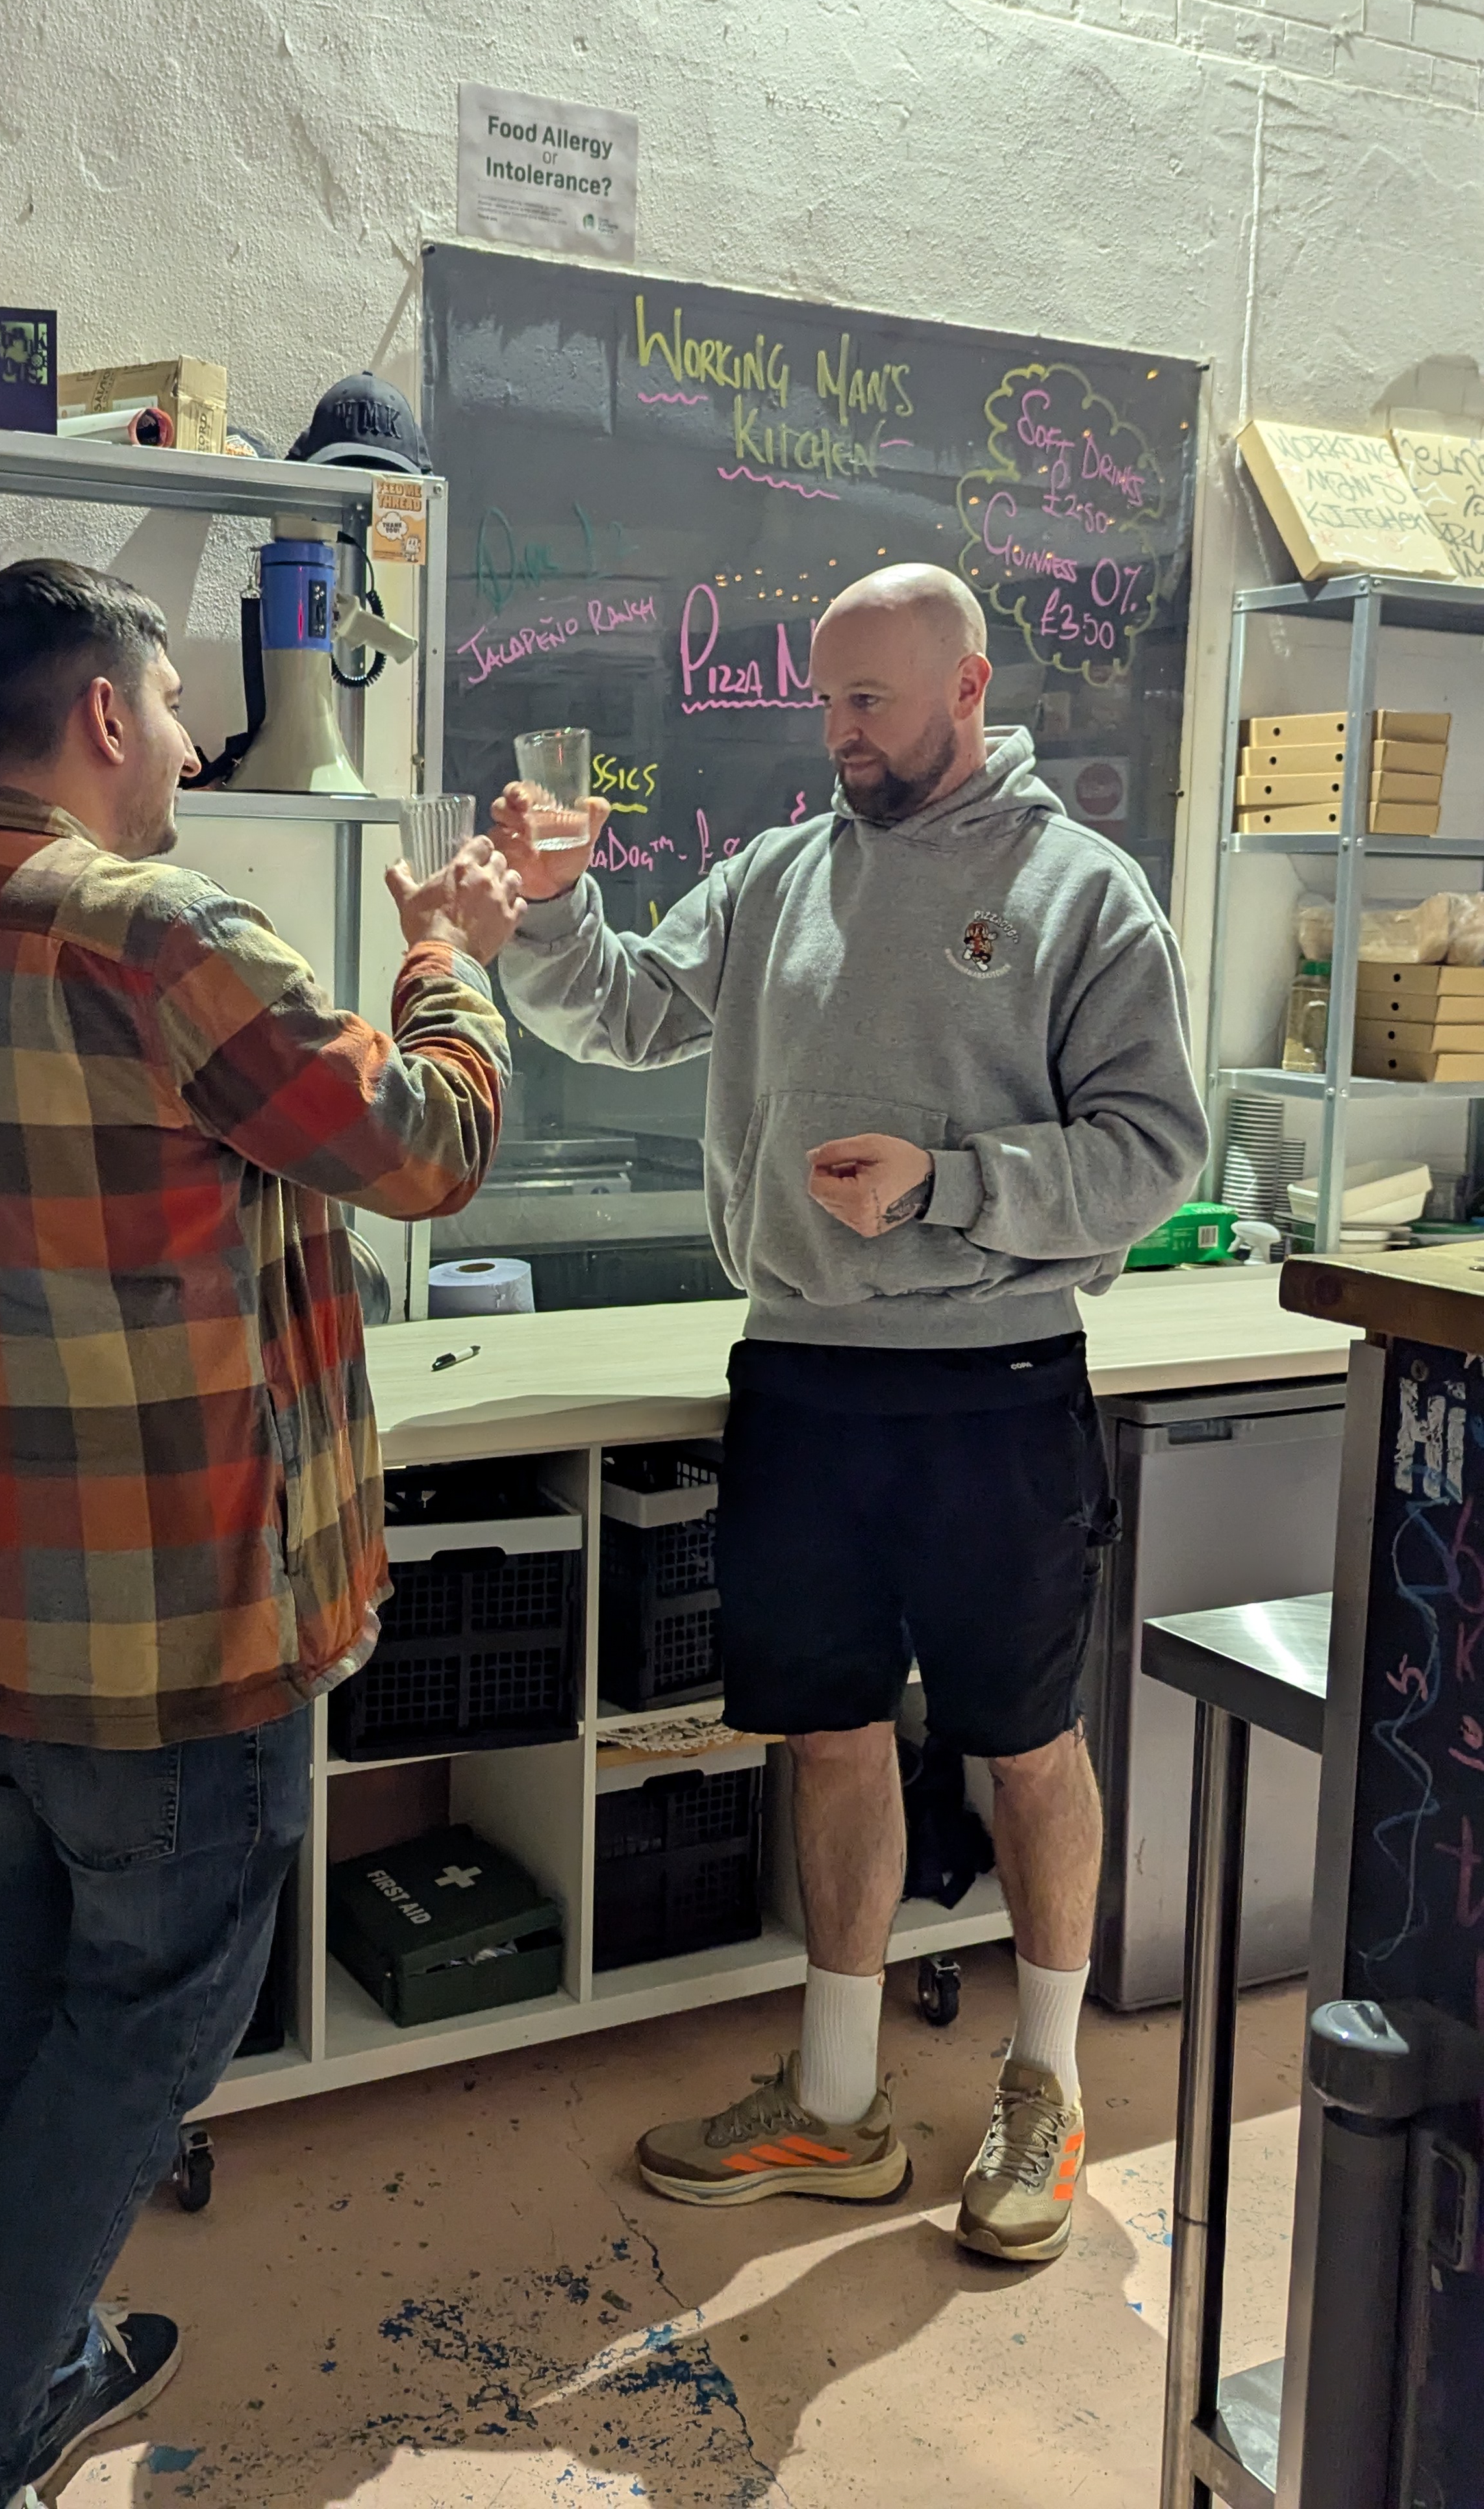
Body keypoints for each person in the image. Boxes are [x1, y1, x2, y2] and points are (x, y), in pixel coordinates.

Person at [0, 557, 521, 2509]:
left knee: (22, 1995)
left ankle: (28, 2368)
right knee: (149, 2030)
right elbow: (431, 1145)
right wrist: (450, 953)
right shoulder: (153, 931)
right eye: (183, 702)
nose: (199, 738)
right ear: (106, 716)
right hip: (179, 1626)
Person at [491, 561, 1207, 2265]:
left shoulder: (1082, 893)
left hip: (996, 1385)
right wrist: (542, 913)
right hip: (804, 1377)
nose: (839, 736)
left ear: (968, 691)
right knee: (824, 1730)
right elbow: (624, 1008)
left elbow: (1157, 1150)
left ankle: (1043, 2090)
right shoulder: (778, 879)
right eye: (824, 702)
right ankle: (836, 2103)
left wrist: (952, 1184)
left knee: (1024, 1745)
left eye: (870, 702)